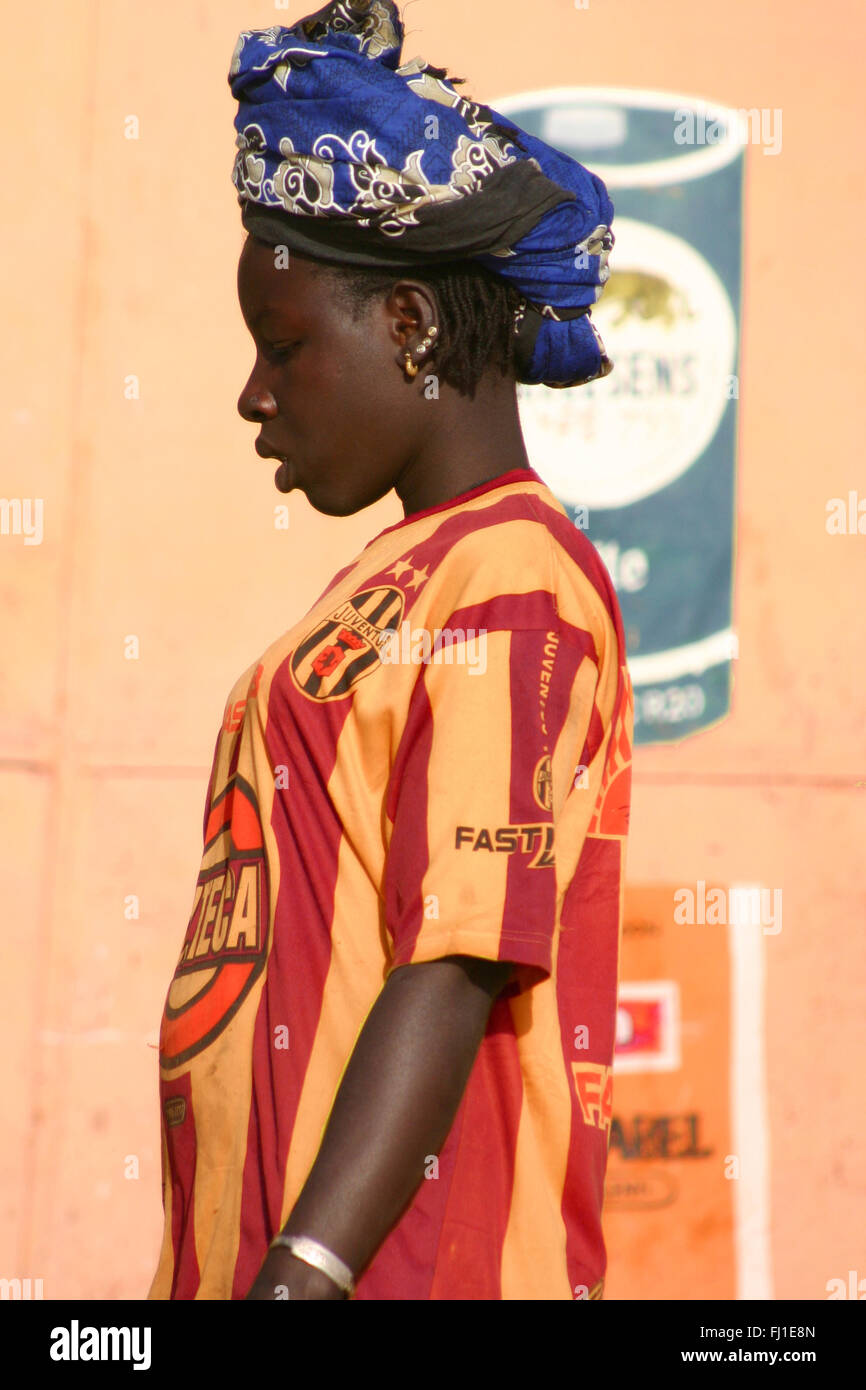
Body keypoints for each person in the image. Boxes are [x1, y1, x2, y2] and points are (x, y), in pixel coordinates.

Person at [148, 0, 633, 1302]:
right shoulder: (386, 588)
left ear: (411, 326)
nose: (255, 394)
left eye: (285, 346)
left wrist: (304, 1272)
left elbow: (457, 954)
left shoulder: (511, 580)